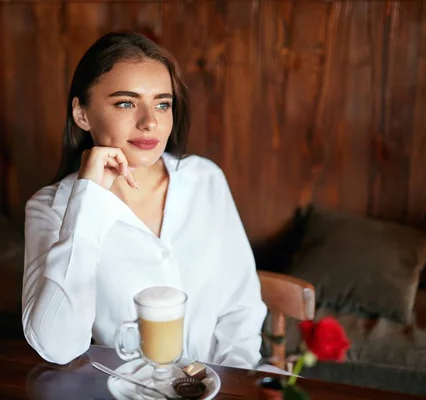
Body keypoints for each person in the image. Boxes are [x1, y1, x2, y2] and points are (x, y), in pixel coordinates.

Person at [22, 31, 267, 368]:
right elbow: (56, 346)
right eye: (126, 102)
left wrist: (227, 384)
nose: (150, 121)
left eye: (162, 103)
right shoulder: (49, 208)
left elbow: (241, 306)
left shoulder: (205, 180)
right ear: (82, 114)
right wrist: (88, 201)